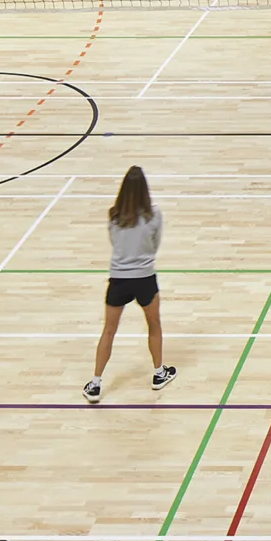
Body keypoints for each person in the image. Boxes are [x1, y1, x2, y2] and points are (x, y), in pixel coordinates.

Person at [84, 164, 175, 401]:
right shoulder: (154, 216)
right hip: (145, 278)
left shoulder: (114, 215)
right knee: (154, 325)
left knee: (109, 331)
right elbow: (155, 245)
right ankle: (158, 373)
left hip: (118, 279)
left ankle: (95, 383)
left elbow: (115, 243)